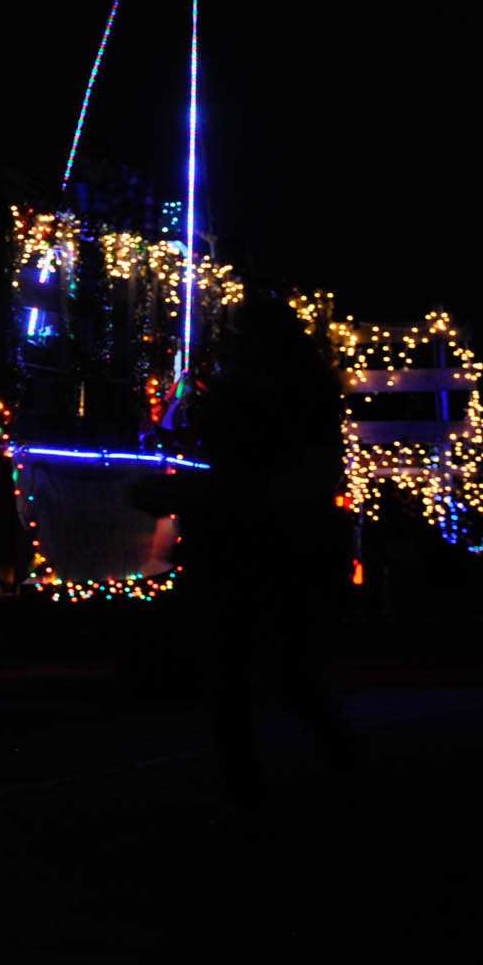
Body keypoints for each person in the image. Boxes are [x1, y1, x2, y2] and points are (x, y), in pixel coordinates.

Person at [187, 290, 355, 807]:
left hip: (256, 537)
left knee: (242, 668)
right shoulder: (312, 388)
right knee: (287, 668)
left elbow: (232, 459)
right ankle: (334, 764)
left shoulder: (256, 394)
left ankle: (249, 790)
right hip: (292, 536)